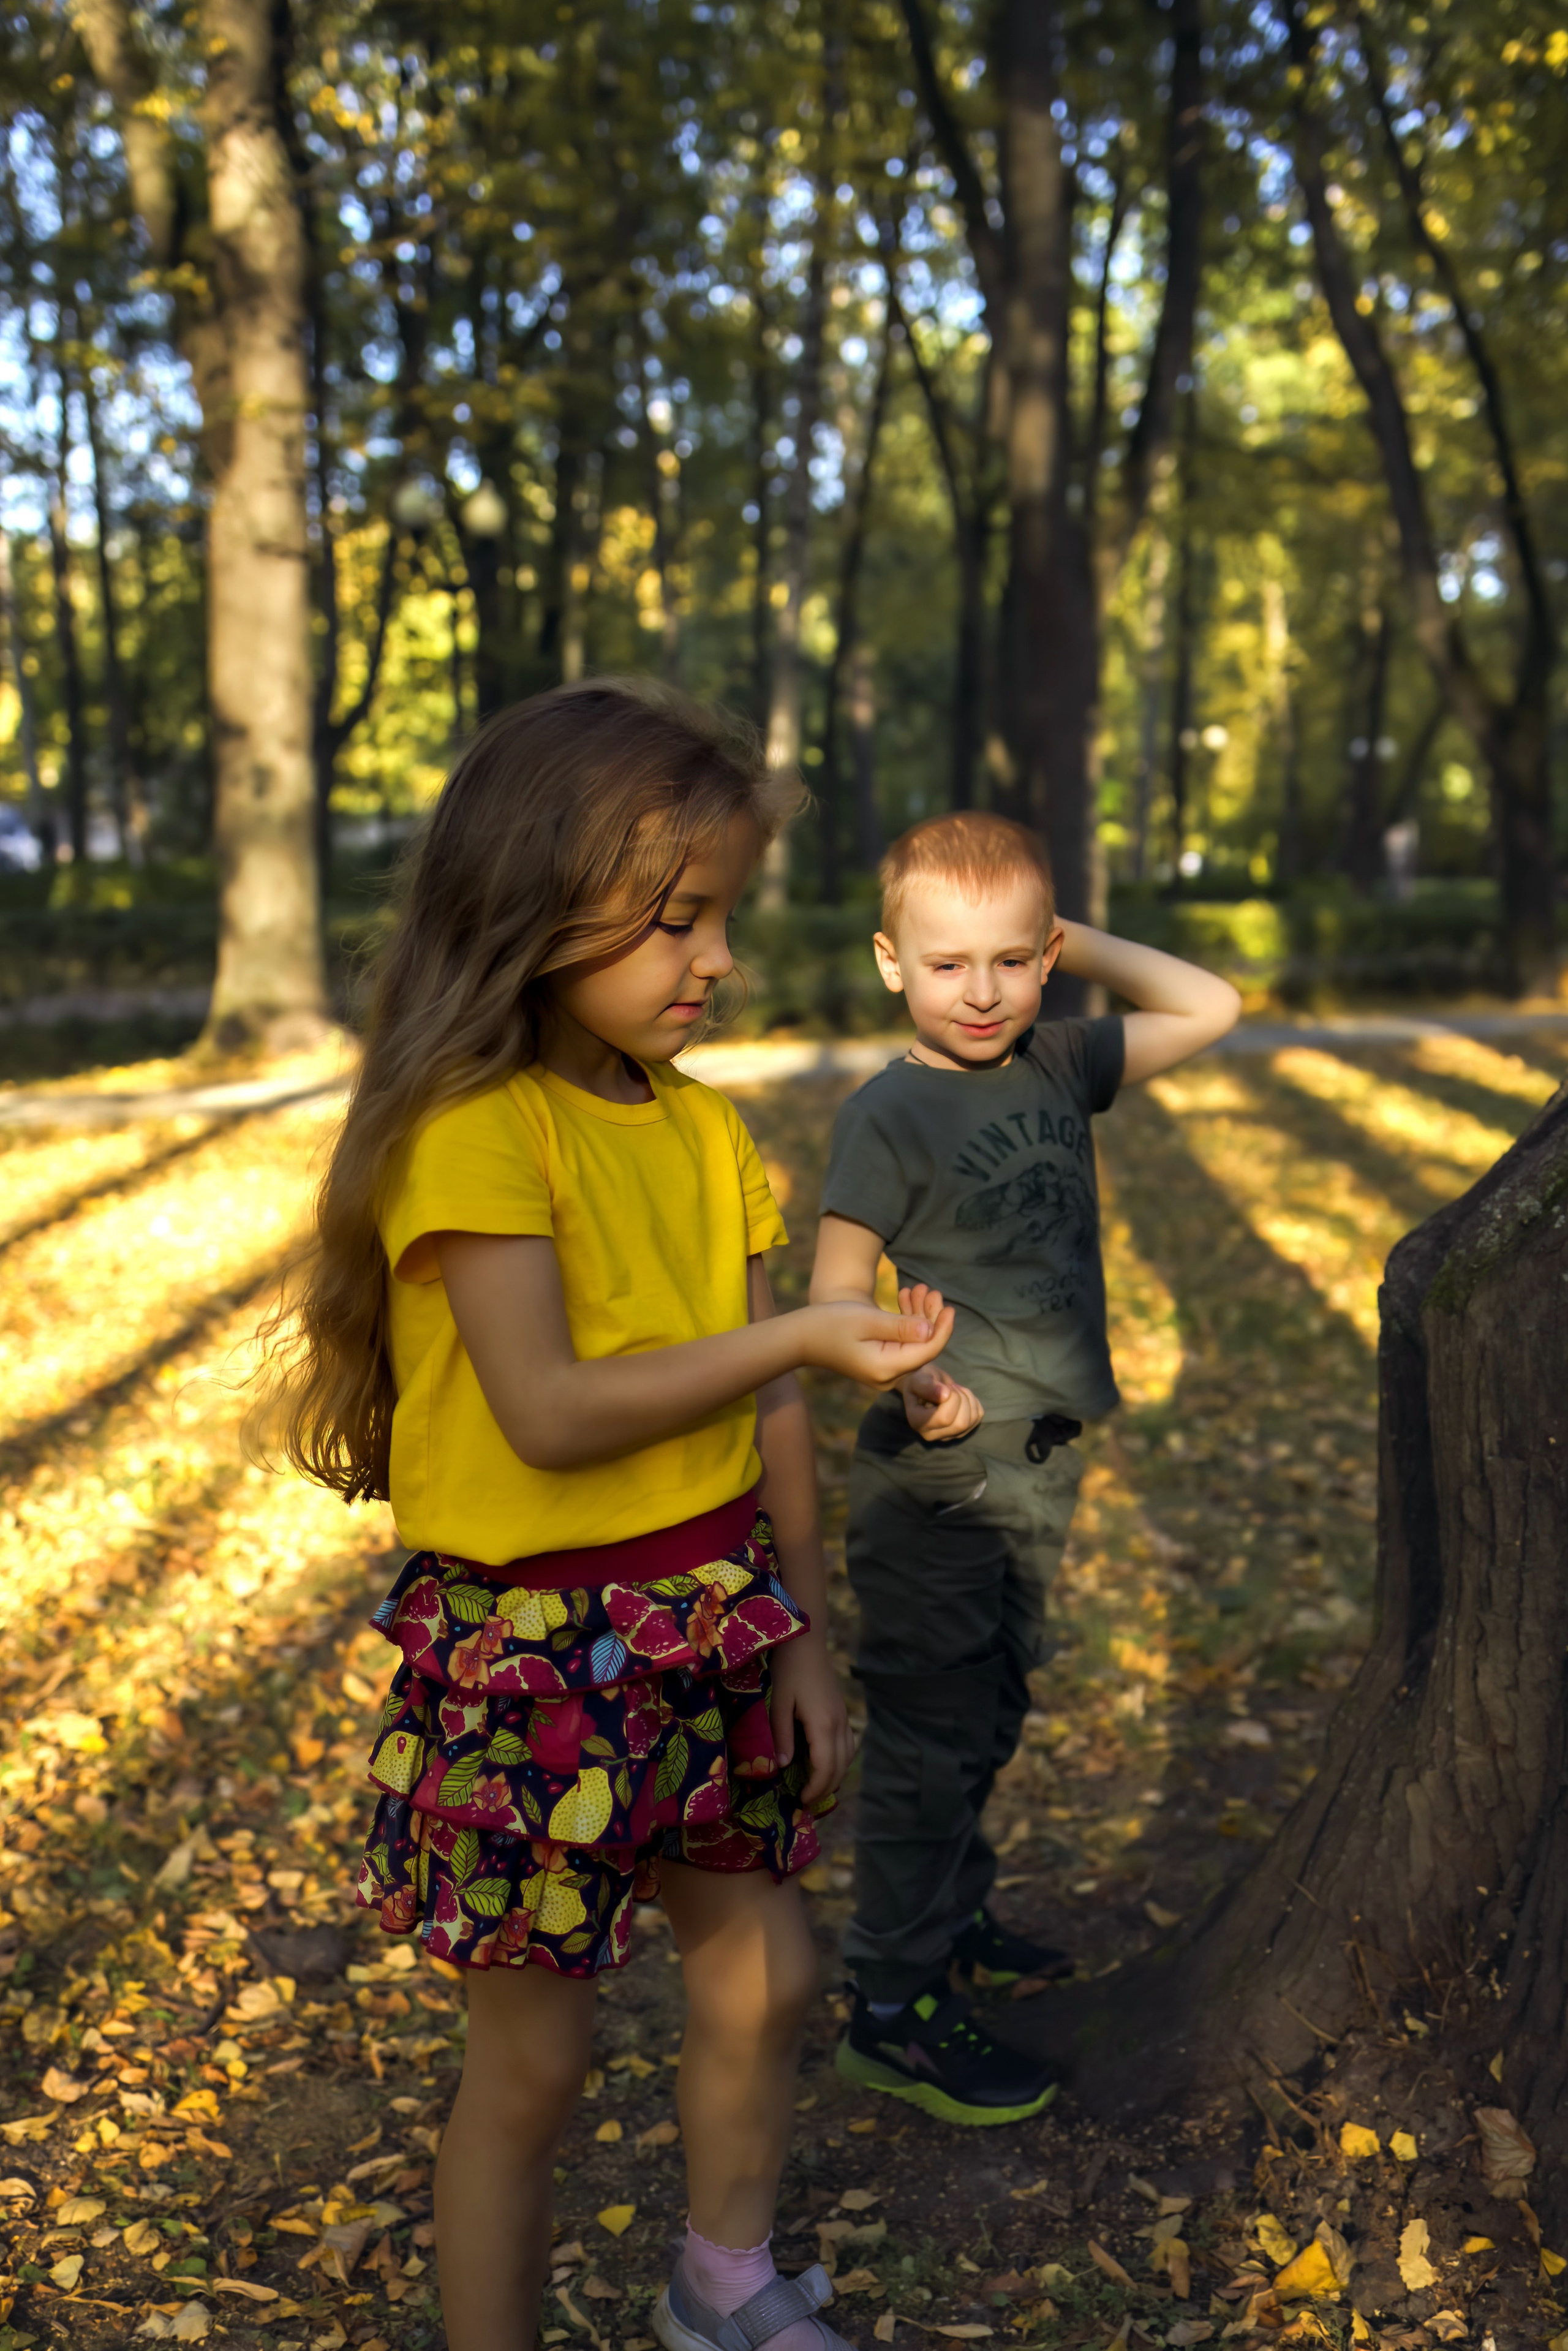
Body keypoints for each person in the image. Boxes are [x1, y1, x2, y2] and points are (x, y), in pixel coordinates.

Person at [265, 680, 959, 2351]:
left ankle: (721, 2282)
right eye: (673, 919)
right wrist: (798, 1333)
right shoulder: (474, 1130)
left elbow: (768, 1409)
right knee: (536, 2059)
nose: (714, 960)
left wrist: (804, 1633)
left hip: (711, 1614)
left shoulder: (708, 1130)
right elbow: (551, 1408)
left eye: (722, 918)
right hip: (532, 1654)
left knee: (767, 1970)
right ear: (530, 903)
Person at [809, 811, 1240, 2126]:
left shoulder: (1057, 1056)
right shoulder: (887, 1112)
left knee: (988, 1711)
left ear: (1046, 956)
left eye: (1012, 959)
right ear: (891, 962)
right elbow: (835, 1294)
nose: (983, 991)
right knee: (930, 1737)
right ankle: (891, 2007)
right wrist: (910, 1378)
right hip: (940, 1475)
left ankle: (951, 1919)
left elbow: (1211, 1005)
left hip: (1040, 1462)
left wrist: (1066, 938)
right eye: (947, 963)